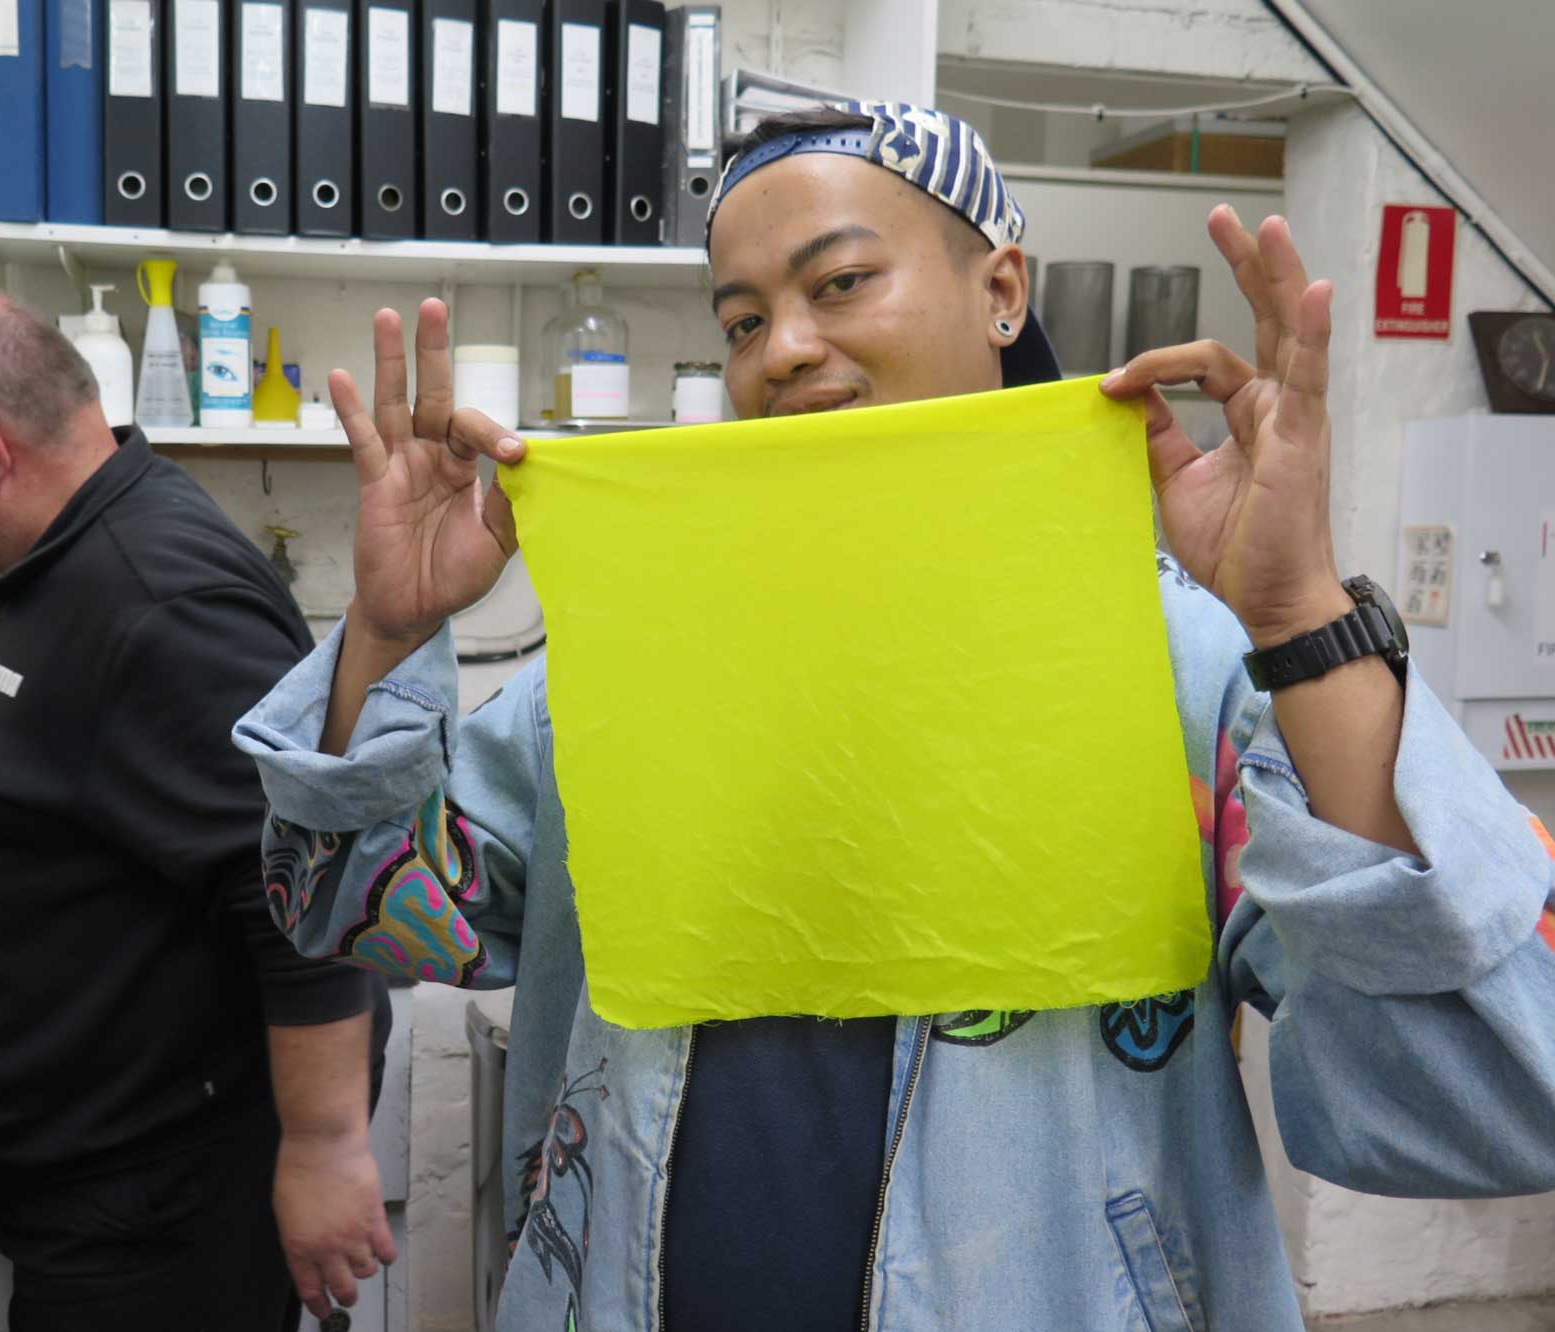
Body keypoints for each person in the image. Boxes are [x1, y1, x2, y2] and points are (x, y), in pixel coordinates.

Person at [233, 103, 1555, 1330]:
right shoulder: (649, 653)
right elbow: (373, 911)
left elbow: (1480, 1102)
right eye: (743, 320)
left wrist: (1302, 619)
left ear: (1000, 290)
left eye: (839, 282)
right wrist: (389, 638)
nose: (784, 350)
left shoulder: (1177, 662)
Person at [0, 290, 397, 1331]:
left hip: (159, 1208)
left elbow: (301, 887)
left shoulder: (163, 600)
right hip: (103, 1186)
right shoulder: (82, 553)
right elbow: (60, 653)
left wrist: (324, 1151)